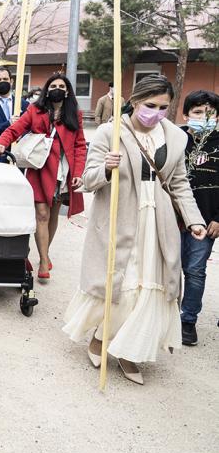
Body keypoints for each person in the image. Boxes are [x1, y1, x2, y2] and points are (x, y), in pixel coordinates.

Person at [62, 75, 206, 385]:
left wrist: (194, 219)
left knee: (149, 285)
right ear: (135, 101)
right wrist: (106, 168)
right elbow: (87, 181)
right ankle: (102, 338)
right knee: (121, 282)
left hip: (159, 221)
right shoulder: (109, 133)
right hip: (121, 217)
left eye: (163, 107)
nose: (156, 112)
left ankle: (131, 350)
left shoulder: (174, 138)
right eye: (150, 105)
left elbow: (178, 183)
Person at [0, 73, 88, 279]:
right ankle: (44, 261)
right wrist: (2, 141)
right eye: (53, 85)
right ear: (47, 89)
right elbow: (15, 129)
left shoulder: (75, 114)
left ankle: (45, 252)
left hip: (63, 170)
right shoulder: (35, 110)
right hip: (40, 168)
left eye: (61, 86)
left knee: (53, 214)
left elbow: (80, 145)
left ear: (68, 91)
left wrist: (79, 172)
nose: (57, 88)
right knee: (42, 214)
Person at [178, 90, 219, 346]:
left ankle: (188, 320)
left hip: (205, 223)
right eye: (198, 112)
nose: (204, 118)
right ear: (186, 115)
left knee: (194, 271)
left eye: (211, 114)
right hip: (173, 217)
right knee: (169, 268)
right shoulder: (175, 139)